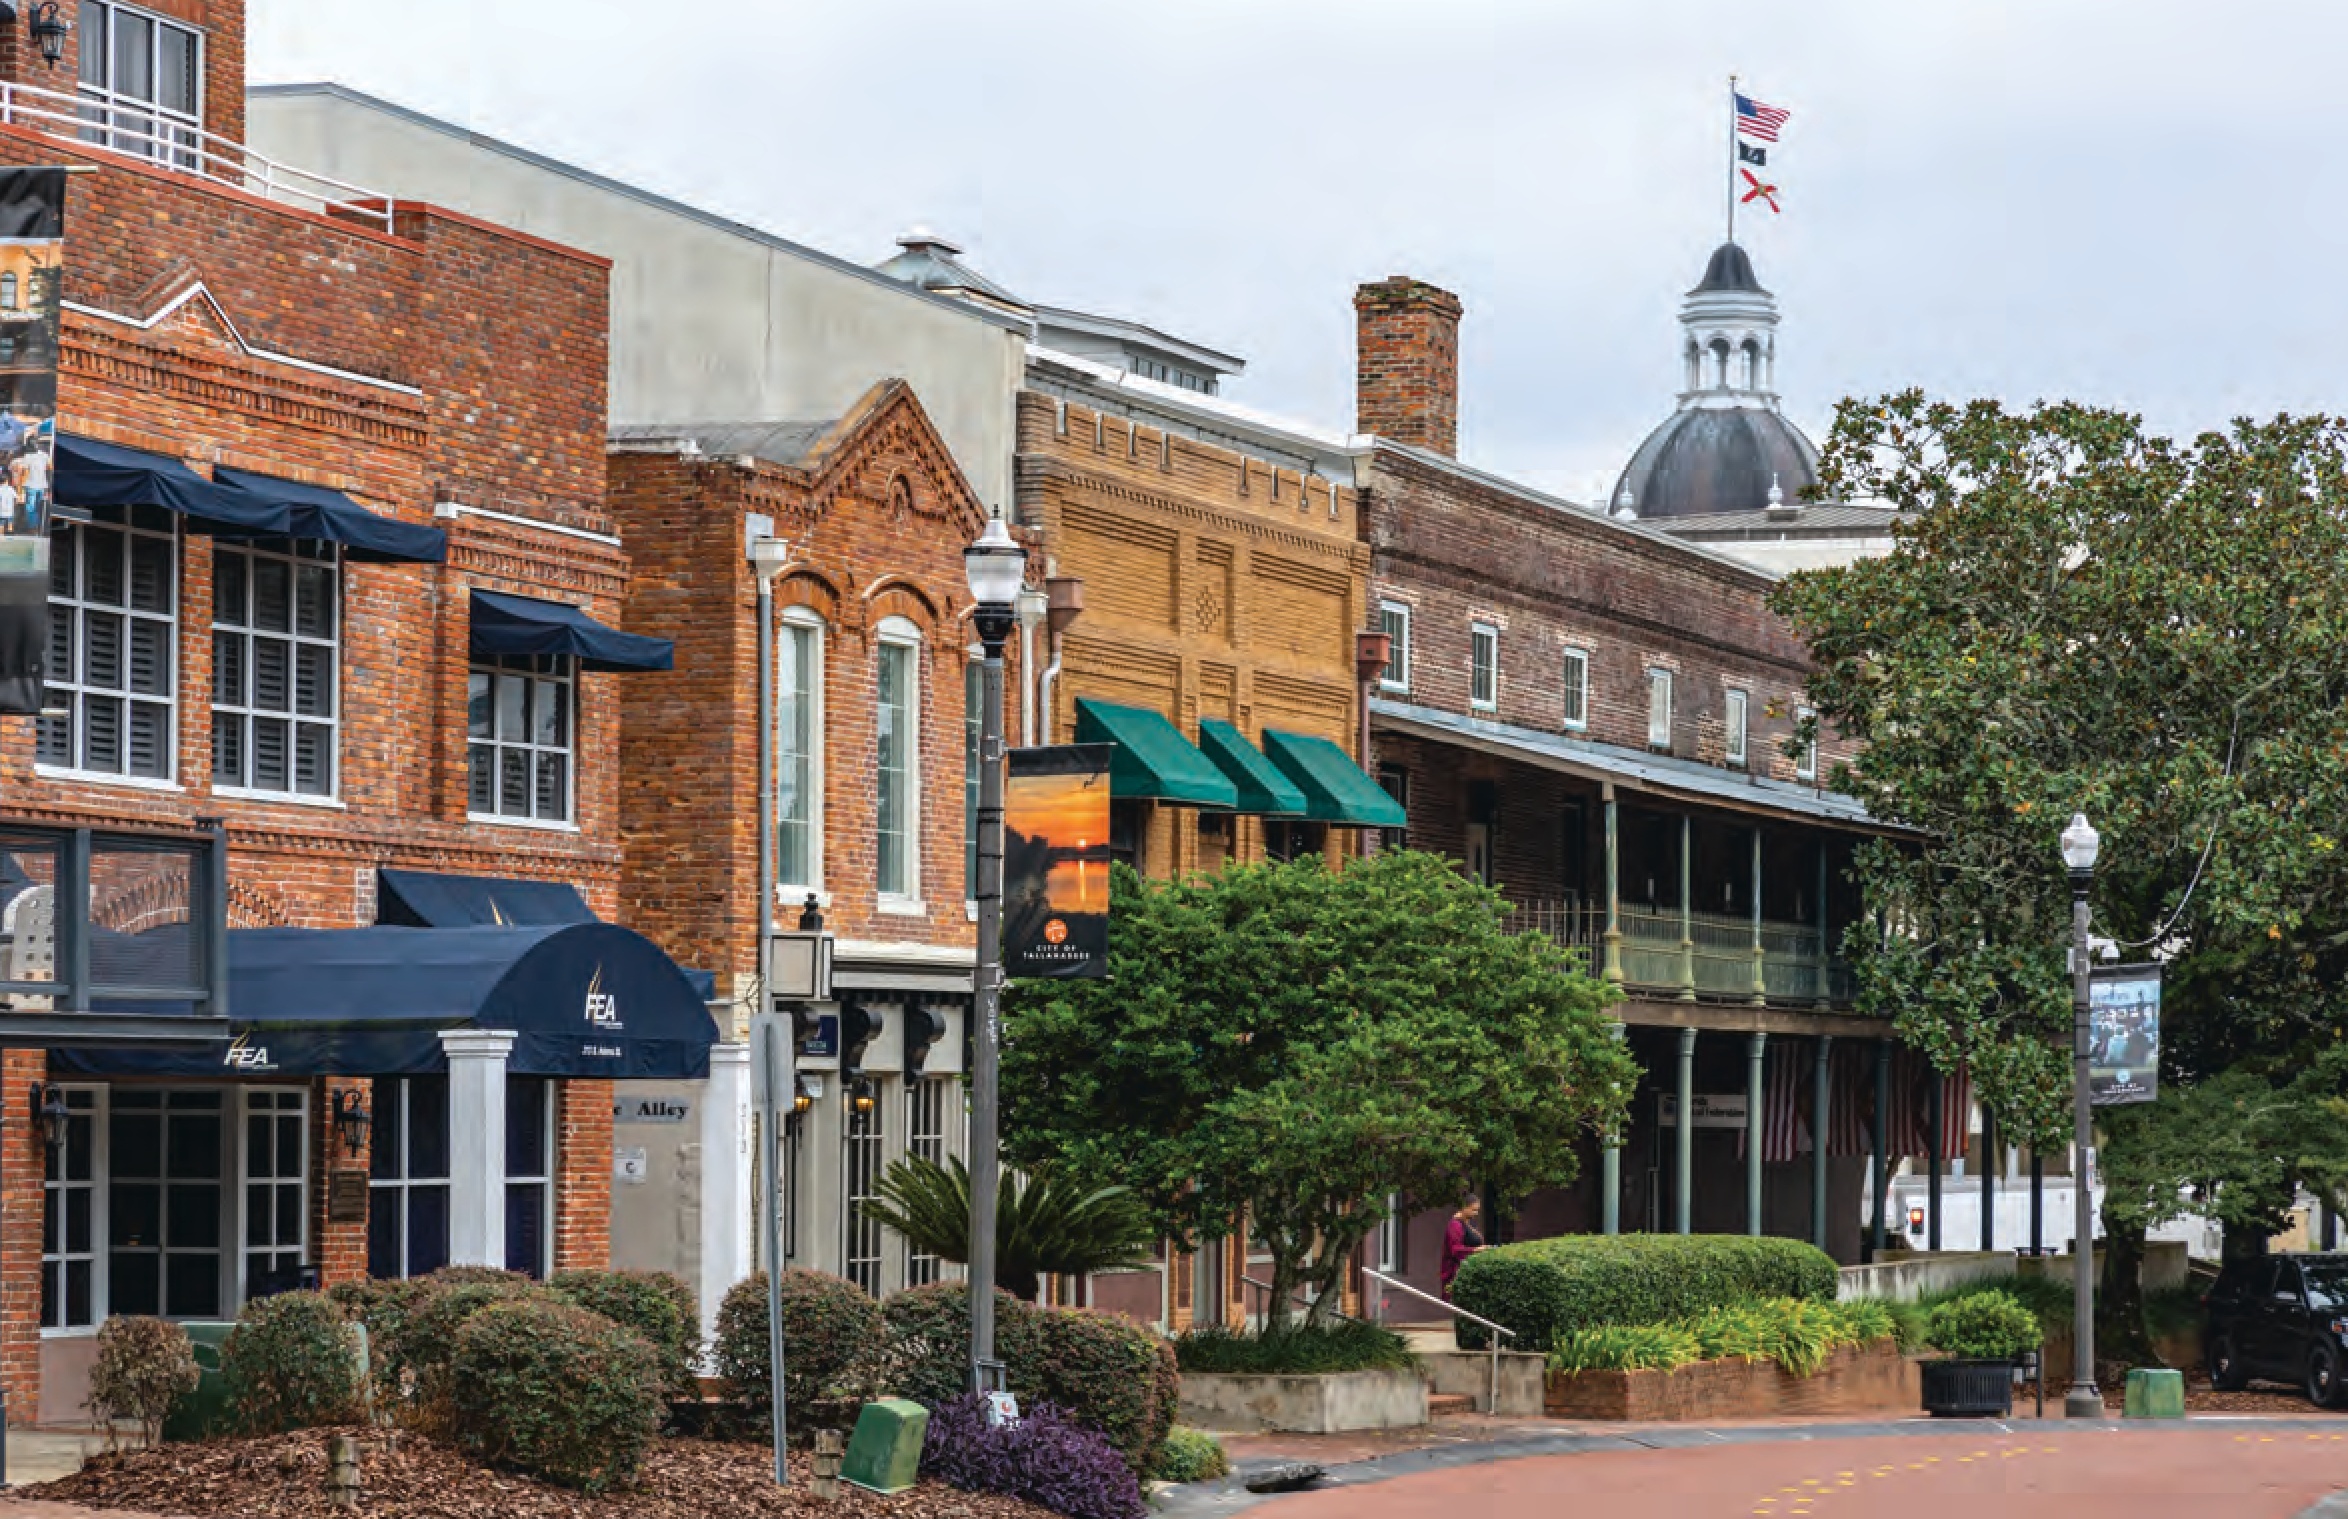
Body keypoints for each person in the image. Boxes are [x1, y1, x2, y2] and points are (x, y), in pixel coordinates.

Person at [1440, 1198, 1487, 1299]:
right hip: (1457, 1272)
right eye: (1474, 1210)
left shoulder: (1469, 1224)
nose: (1476, 1213)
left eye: (1477, 1210)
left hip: (1471, 1269)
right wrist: (1475, 1250)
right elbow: (1455, 1249)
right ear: (1464, 1207)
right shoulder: (1455, 1225)